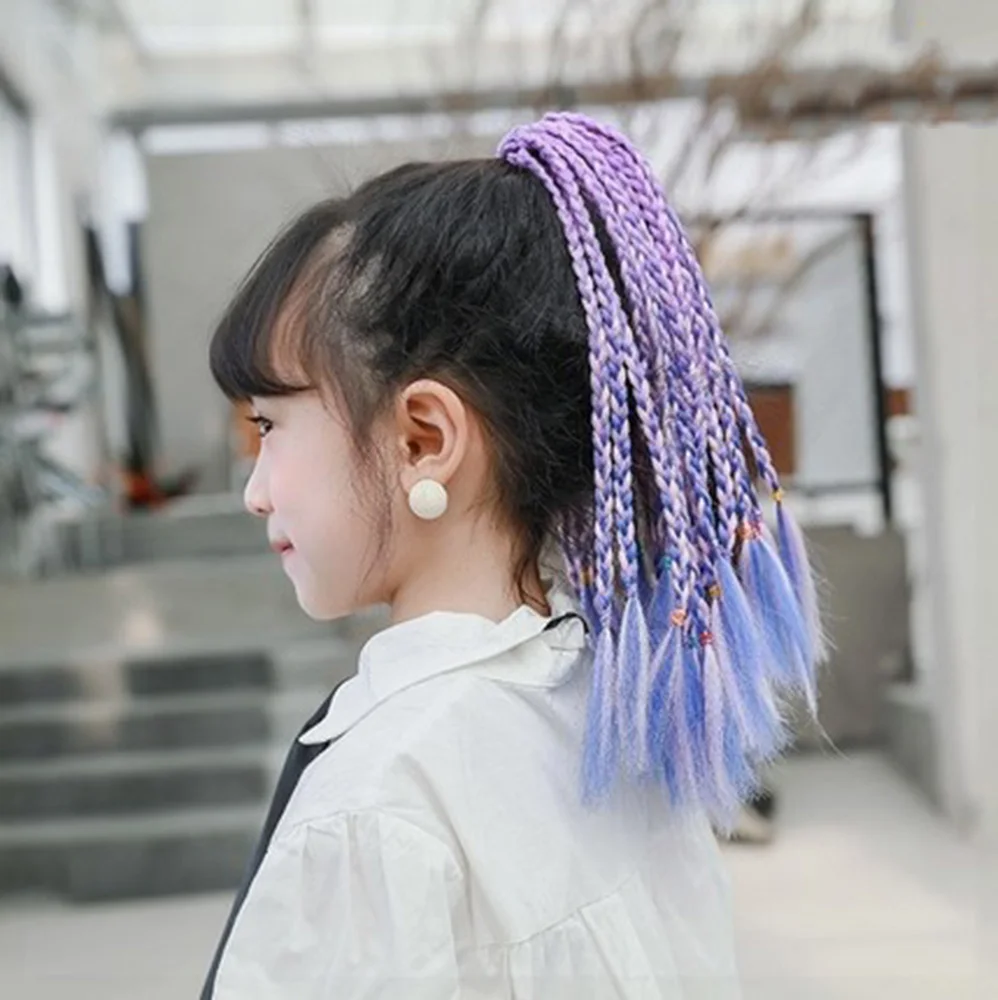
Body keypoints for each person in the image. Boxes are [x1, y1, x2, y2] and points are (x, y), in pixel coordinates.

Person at [201, 112, 823, 999]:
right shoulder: (615, 712)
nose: (256, 491)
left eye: (269, 425)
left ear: (423, 439)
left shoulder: (378, 803)